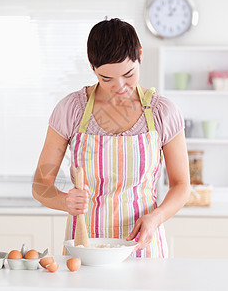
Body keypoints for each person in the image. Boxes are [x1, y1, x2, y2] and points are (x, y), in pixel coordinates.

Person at [32, 18, 190, 258]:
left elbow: (181, 185)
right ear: (92, 66)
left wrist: (155, 218)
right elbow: (40, 185)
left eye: (129, 74)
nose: (120, 86)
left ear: (140, 55)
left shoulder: (162, 113)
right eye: (106, 78)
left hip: (143, 248)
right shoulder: (71, 110)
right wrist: (64, 201)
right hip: (84, 250)